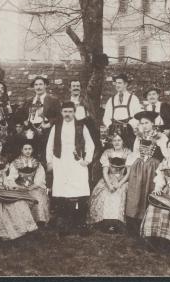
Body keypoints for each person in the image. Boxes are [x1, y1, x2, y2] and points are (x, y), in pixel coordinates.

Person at [46, 101, 95, 236]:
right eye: (65, 112)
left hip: (77, 163)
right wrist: (49, 161)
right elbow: (49, 145)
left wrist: (87, 160)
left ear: (74, 112)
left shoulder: (81, 126)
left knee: (79, 191)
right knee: (62, 192)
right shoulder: (56, 127)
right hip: (60, 162)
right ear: (61, 113)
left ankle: (80, 223)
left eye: (70, 111)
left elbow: (90, 144)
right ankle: (64, 224)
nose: (67, 114)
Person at [125, 111, 168, 236]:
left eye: (147, 123)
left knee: (149, 193)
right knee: (136, 194)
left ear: (153, 124)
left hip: (153, 168)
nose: (144, 126)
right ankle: (135, 225)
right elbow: (135, 152)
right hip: (139, 168)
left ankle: (149, 225)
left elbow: (166, 155)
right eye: (142, 123)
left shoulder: (160, 137)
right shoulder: (139, 137)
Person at [87, 131, 135, 233]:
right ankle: (106, 222)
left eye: (119, 140)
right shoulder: (107, 152)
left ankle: (117, 223)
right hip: (109, 178)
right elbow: (105, 171)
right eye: (114, 140)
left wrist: (120, 183)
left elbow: (128, 172)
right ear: (111, 142)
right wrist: (109, 184)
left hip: (122, 179)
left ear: (123, 141)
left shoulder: (128, 153)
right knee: (106, 193)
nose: (117, 142)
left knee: (120, 193)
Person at [69, 79, 104, 189]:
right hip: (71, 132)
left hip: (84, 131)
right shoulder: (66, 103)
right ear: (69, 89)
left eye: (78, 86)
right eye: (73, 85)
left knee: (84, 157)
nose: (75, 88)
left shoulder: (86, 101)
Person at [19, 76, 61, 163]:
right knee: (31, 156)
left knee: (44, 156)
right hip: (31, 132)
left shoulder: (53, 100)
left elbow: (59, 116)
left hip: (46, 132)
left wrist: (49, 123)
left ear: (45, 86)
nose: (38, 87)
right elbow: (21, 115)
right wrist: (25, 123)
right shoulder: (29, 101)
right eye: (36, 85)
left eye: (41, 84)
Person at [7, 141, 50, 226]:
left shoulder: (37, 163)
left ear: (32, 150)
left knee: (39, 198)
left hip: (33, 187)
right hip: (20, 187)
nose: (28, 151)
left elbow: (40, 179)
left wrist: (32, 187)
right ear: (21, 150)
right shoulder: (15, 163)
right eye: (25, 149)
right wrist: (18, 186)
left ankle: (39, 221)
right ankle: (23, 223)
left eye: (29, 149)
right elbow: (12, 177)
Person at [102, 73, 142, 149]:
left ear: (126, 84)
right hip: (114, 131)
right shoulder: (111, 100)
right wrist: (110, 125)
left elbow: (138, 116)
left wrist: (129, 125)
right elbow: (106, 117)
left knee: (129, 152)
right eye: (116, 83)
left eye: (119, 83)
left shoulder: (133, 99)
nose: (117, 85)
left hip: (128, 131)